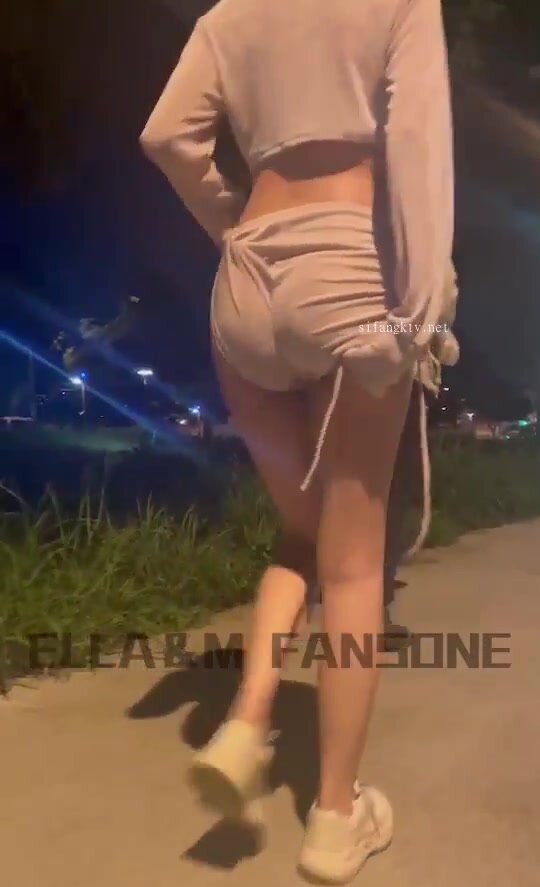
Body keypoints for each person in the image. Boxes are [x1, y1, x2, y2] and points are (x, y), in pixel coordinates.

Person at [140, 0, 457, 881]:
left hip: (247, 283)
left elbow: (165, 137)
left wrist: (233, 225)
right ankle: (335, 816)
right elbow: (419, 150)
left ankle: (247, 721)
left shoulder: (228, 15)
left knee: (306, 531)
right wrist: (420, 314)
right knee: (355, 564)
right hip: (352, 266)